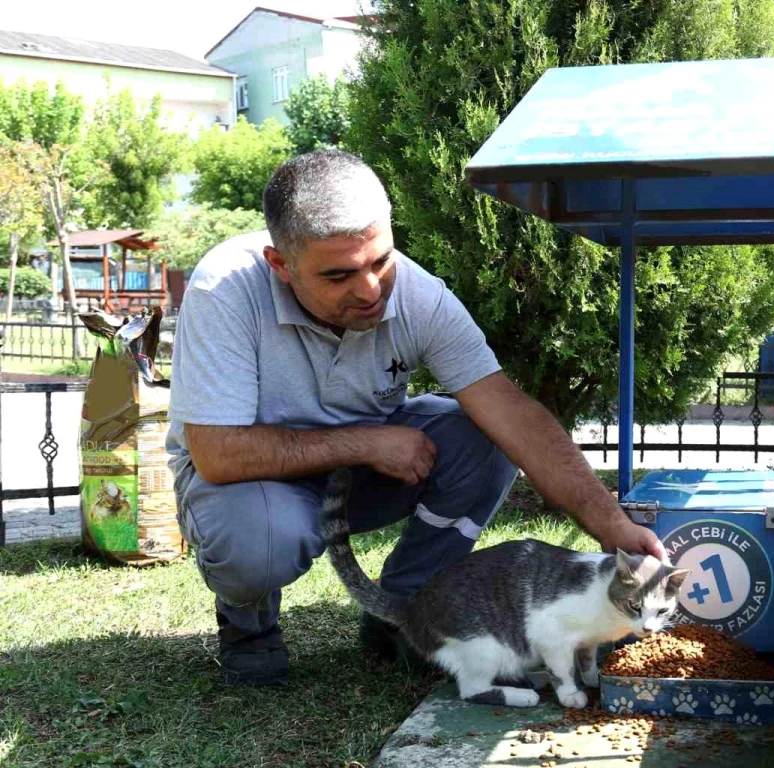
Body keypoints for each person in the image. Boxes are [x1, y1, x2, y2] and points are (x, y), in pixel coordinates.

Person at [166, 149, 666, 686]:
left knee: (487, 437)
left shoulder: (419, 294)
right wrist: (366, 443)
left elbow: (512, 415)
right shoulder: (225, 290)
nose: (370, 290)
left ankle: (405, 609)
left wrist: (612, 525)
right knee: (262, 542)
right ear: (280, 265)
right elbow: (218, 453)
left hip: (355, 476)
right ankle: (250, 620)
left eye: (380, 261)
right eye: (338, 276)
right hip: (249, 482)